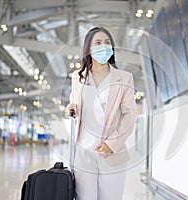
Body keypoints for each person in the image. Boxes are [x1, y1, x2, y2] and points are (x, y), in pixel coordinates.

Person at [65, 27, 138, 200]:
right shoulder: (78, 77)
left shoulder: (124, 78)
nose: (103, 46)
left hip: (112, 152)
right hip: (83, 153)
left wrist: (111, 145)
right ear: (88, 49)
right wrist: (68, 108)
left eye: (107, 43)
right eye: (97, 43)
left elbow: (130, 114)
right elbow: (73, 103)